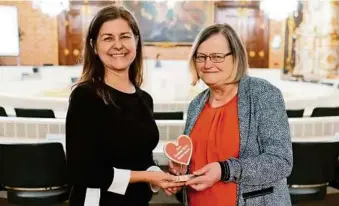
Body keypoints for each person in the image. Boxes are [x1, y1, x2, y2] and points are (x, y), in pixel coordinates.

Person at [66, 6, 183, 206]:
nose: (118, 45)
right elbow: (84, 172)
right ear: (94, 46)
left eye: (125, 36)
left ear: (136, 41)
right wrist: (147, 178)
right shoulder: (85, 96)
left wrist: (160, 176)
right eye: (108, 38)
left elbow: (141, 159)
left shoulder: (144, 99)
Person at [168, 23, 293, 206]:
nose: (207, 64)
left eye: (217, 57)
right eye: (201, 57)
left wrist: (225, 169)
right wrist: (181, 171)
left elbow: (280, 162)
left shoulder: (263, 94)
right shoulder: (196, 105)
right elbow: (200, 161)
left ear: (236, 58)